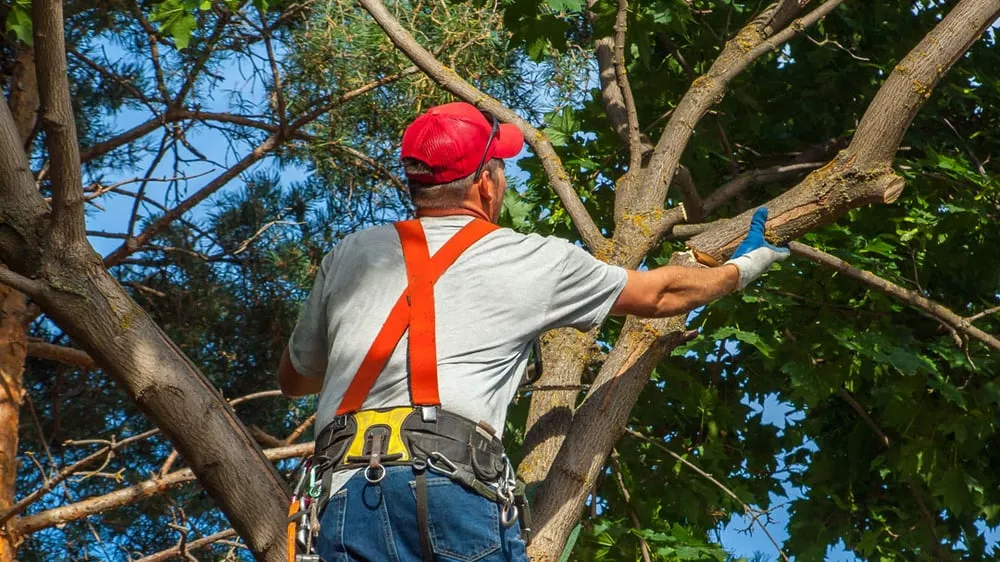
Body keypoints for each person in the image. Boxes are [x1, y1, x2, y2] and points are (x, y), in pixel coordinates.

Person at [278, 102, 789, 562]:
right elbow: (661, 295)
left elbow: (295, 379)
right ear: (485, 183)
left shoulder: (351, 255)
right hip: (449, 492)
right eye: (500, 169)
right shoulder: (531, 258)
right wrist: (742, 268)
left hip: (341, 502)